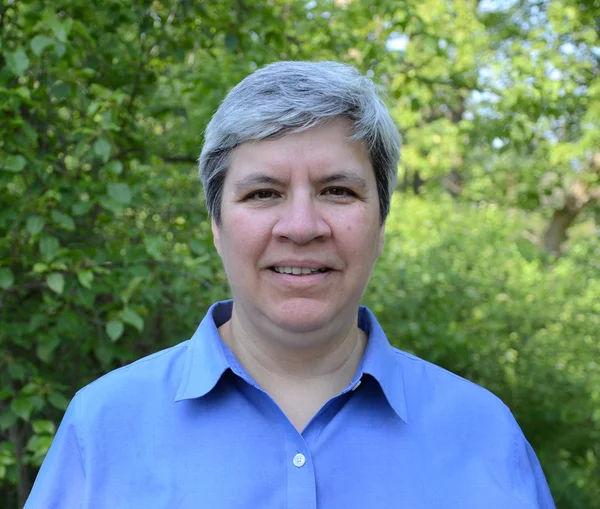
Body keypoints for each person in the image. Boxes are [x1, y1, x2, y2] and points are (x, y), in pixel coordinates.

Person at [25, 61, 556, 508]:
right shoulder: (102, 428)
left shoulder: (485, 436)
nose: (301, 227)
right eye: (263, 194)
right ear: (216, 225)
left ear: (381, 224)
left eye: (337, 191)